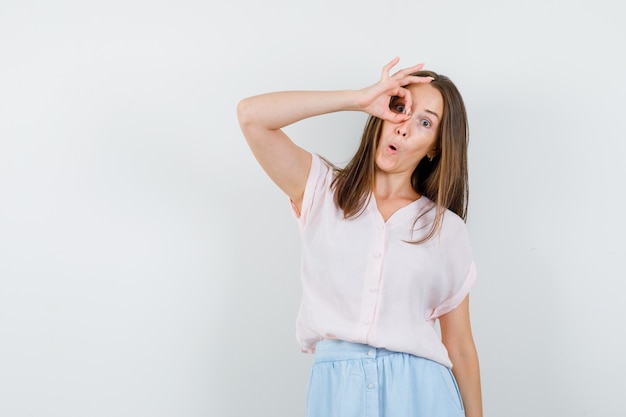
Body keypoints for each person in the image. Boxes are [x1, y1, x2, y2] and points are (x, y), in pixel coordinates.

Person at [237, 57, 482, 417]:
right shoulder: (321, 190)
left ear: (435, 147)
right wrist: (360, 98)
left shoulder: (445, 228)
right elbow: (251, 116)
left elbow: (459, 345)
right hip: (338, 392)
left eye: (425, 122)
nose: (403, 127)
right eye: (400, 108)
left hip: (422, 392)